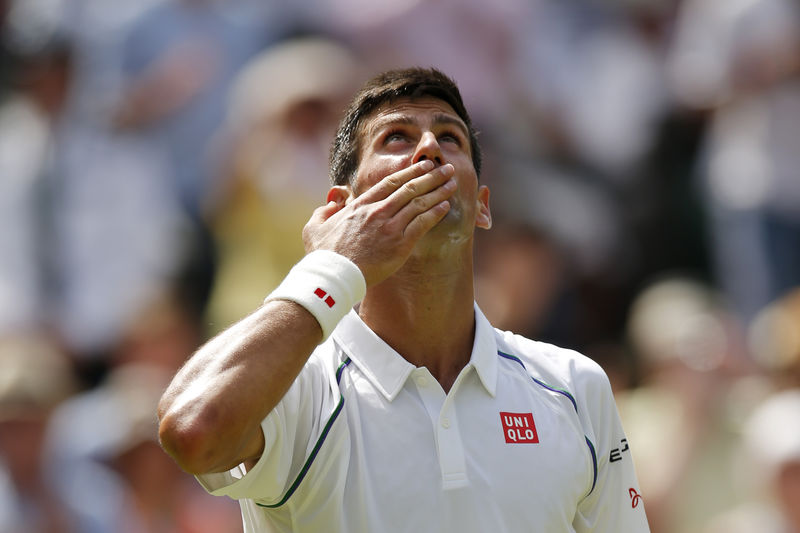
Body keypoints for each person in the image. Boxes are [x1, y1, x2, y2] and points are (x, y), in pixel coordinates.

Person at [157, 67, 650, 532]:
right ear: (341, 208)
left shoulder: (574, 387)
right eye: (397, 138)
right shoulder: (295, 389)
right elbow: (194, 431)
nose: (429, 149)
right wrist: (332, 264)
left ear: (481, 206)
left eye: (450, 137)